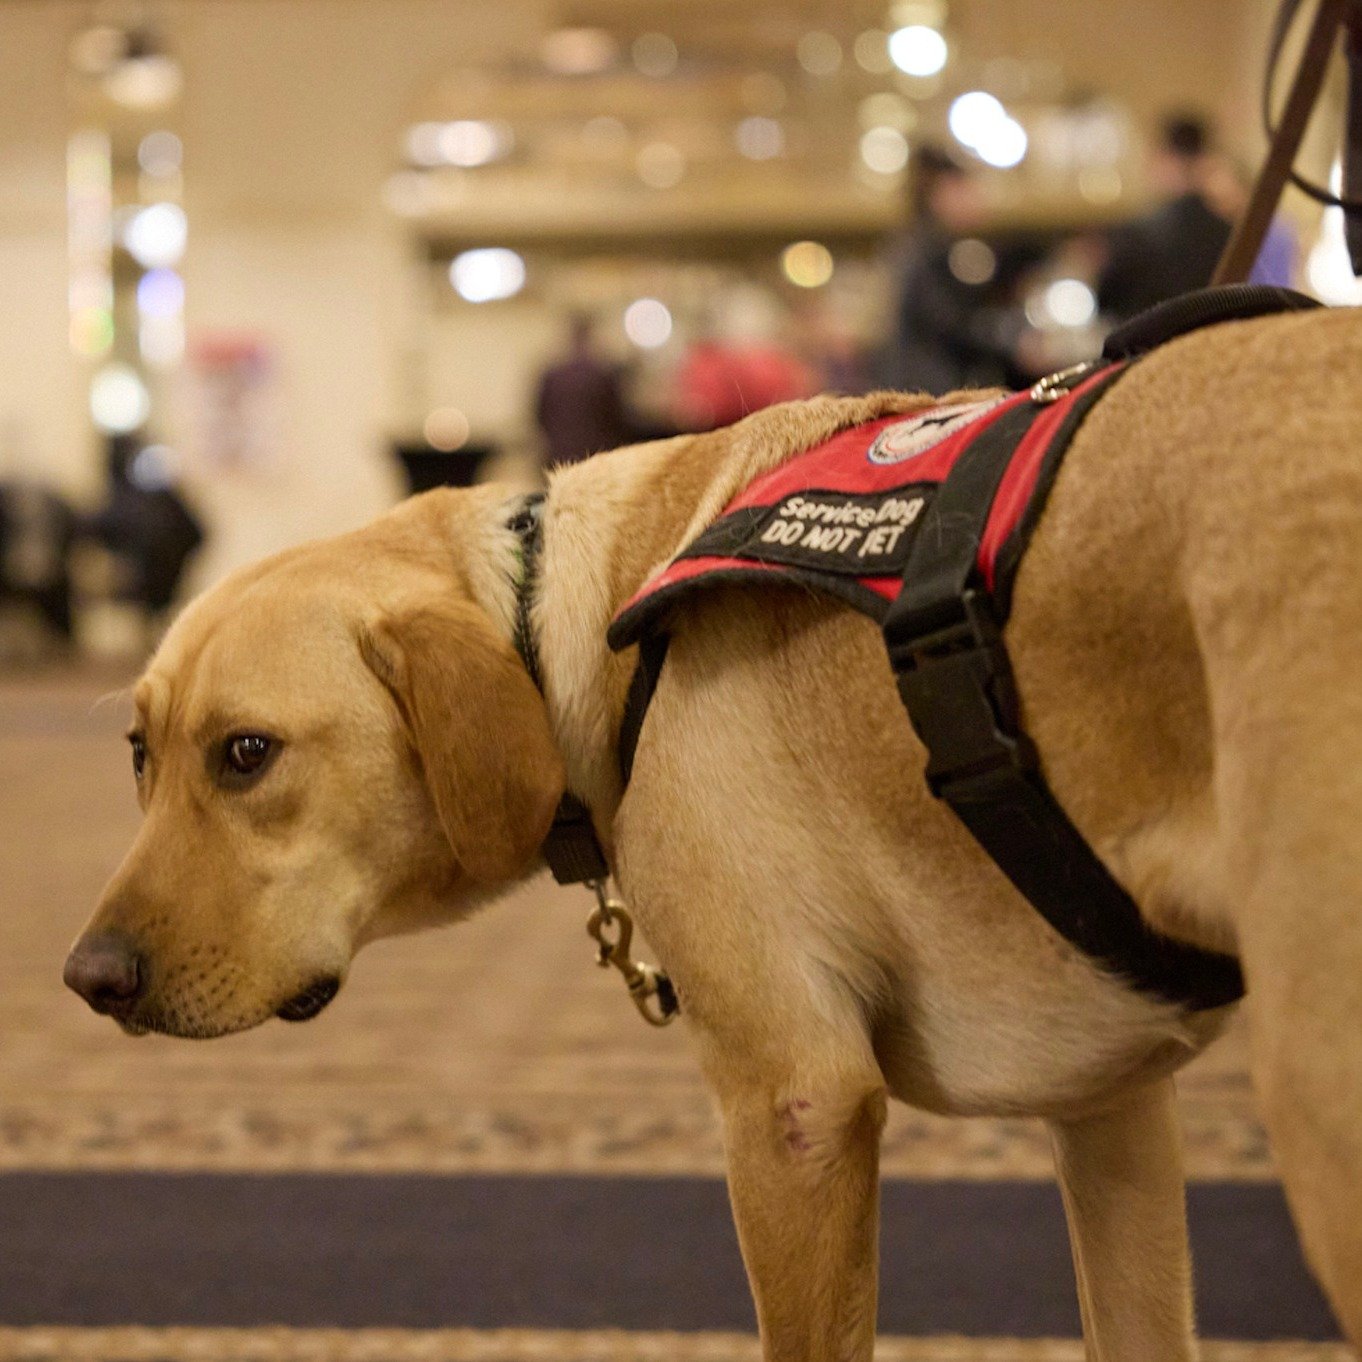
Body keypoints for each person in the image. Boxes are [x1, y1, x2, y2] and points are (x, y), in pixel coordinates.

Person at [889, 146, 1024, 394]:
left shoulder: (930, 246)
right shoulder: (925, 252)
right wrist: (1012, 345)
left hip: (929, 383)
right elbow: (949, 323)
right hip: (928, 389)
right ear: (937, 195)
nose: (974, 200)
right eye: (961, 191)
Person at [1097, 112, 1233, 321]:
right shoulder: (1229, 232)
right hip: (1208, 337)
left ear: (1164, 157)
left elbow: (1107, 301)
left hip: (1147, 339)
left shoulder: (1136, 233)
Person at [533, 314, 632, 466]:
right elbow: (617, 417)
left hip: (559, 453)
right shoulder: (602, 374)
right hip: (595, 454)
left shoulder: (552, 374)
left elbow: (539, 416)